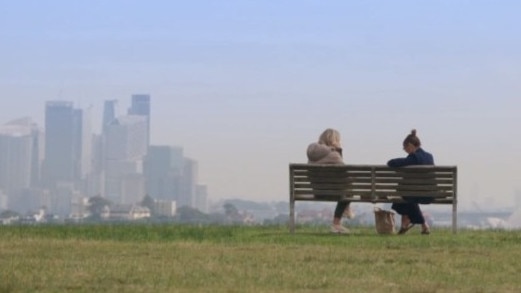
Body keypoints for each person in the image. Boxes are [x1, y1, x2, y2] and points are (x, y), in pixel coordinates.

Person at [307, 128, 354, 234]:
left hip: (317, 192)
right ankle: (337, 223)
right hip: (334, 192)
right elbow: (345, 173)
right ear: (334, 140)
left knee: (346, 189)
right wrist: (339, 151)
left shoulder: (312, 153)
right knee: (348, 189)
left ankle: (344, 213)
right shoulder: (334, 155)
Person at [387, 129, 433, 235]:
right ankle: (412, 223)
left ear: (411, 145)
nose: (405, 150)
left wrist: (391, 161)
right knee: (406, 196)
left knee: (403, 196)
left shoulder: (414, 157)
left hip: (417, 193)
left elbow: (392, 163)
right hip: (430, 193)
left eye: (405, 147)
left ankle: (410, 222)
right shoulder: (429, 156)